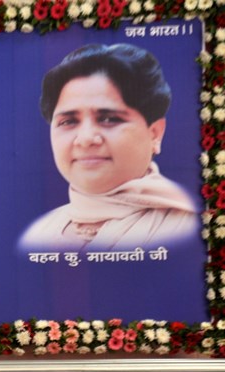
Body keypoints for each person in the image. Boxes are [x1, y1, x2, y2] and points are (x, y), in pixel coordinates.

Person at [18, 43, 198, 252]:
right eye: (68, 121)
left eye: (109, 118)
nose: (85, 139)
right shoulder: (39, 234)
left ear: (155, 133)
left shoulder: (186, 229)